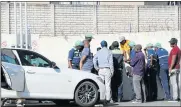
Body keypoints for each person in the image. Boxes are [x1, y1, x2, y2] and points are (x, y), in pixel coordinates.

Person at [168, 38, 181, 102]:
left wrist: (170, 68)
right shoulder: (178, 49)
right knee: (177, 83)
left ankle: (175, 98)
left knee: (174, 83)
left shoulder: (174, 49)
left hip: (173, 68)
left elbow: (173, 59)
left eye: (171, 42)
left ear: (174, 43)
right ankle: (178, 97)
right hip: (177, 68)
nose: (170, 43)